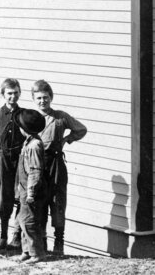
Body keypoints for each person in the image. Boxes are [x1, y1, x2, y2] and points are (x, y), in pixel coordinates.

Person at [31, 79, 87, 256]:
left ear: (51, 97)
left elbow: (81, 129)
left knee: (57, 201)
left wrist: (66, 140)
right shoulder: (31, 118)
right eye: (39, 98)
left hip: (56, 163)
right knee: (39, 201)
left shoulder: (60, 116)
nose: (42, 101)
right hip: (38, 164)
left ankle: (59, 242)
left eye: (46, 97)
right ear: (33, 99)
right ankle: (42, 242)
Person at [0, 77, 24, 249]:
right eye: (9, 93)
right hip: (2, 159)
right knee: (4, 196)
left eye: (16, 93)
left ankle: (17, 236)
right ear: (3, 94)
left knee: (21, 195)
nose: (12, 97)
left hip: (20, 159)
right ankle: (3, 235)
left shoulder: (24, 114)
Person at [14, 108, 47, 264]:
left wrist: (31, 192)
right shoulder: (27, 143)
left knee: (30, 222)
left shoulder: (34, 146)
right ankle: (26, 250)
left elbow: (35, 171)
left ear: (25, 129)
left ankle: (37, 253)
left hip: (30, 189)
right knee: (23, 219)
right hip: (23, 187)